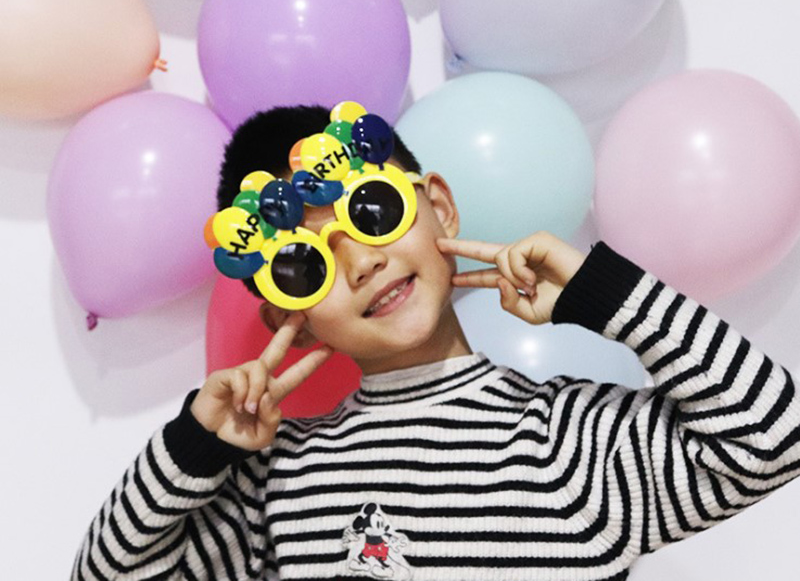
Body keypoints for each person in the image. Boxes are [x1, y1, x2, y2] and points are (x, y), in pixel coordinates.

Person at [71, 103, 800, 581]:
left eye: (374, 210)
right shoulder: (279, 480)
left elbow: (772, 436)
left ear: (440, 207)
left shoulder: (568, 439)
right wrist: (194, 448)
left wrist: (600, 293)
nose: (362, 263)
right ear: (286, 316)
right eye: (305, 264)